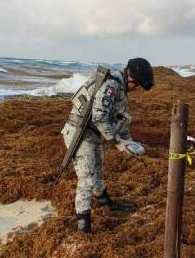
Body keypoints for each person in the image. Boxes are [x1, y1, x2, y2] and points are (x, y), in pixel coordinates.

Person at [61, 58, 154, 233]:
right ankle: (83, 224)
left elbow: (120, 119)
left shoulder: (122, 88)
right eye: (137, 85)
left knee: (98, 168)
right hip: (80, 133)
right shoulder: (112, 85)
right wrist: (117, 142)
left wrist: (129, 142)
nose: (137, 89)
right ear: (130, 77)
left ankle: (105, 202)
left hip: (93, 133)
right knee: (87, 178)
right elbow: (99, 117)